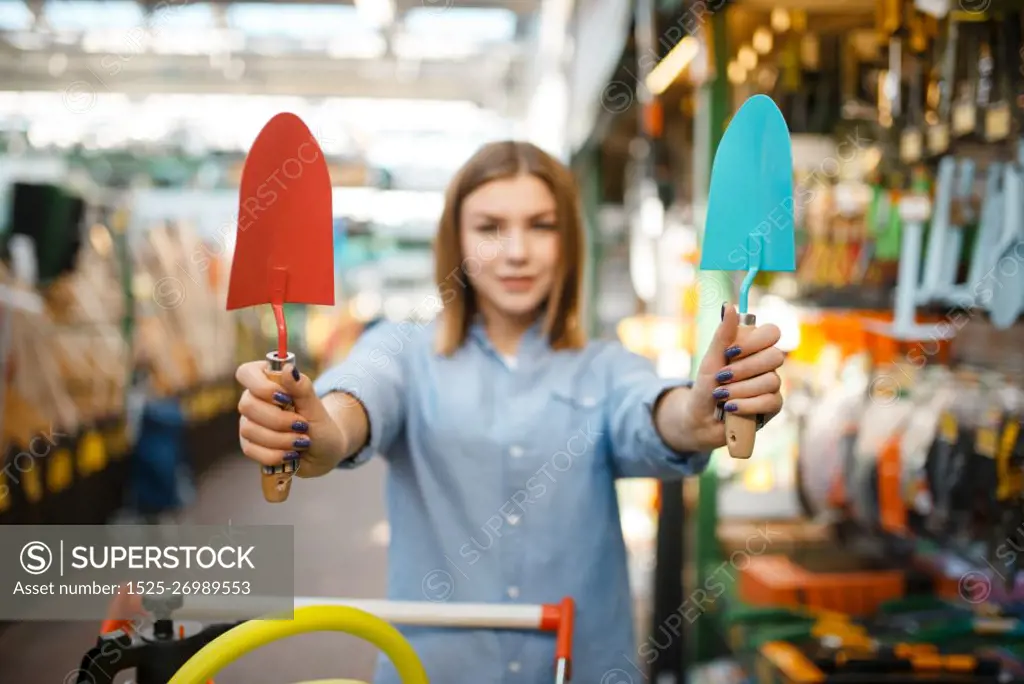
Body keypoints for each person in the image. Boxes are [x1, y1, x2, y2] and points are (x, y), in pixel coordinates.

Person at [234, 141, 785, 683]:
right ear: (456, 240)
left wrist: (694, 414)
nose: (517, 251)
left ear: (569, 240)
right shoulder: (401, 351)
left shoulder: (606, 367)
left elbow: (652, 411)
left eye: (542, 226)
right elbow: (356, 399)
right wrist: (322, 434)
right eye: (490, 227)